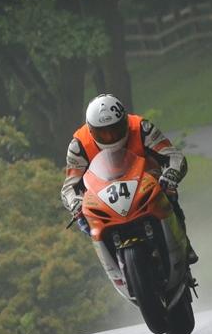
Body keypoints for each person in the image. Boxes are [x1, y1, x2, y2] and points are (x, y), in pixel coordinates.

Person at [61, 94, 199, 264]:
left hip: (145, 184)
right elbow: (69, 186)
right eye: (102, 133)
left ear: (125, 121)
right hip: (104, 197)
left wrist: (170, 176)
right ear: (91, 130)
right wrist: (76, 205)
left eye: (115, 129)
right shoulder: (79, 144)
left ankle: (183, 244)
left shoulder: (141, 127)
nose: (110, 137)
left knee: (169, 195)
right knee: (85, 222)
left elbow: (174, 156)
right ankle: (113, 264)